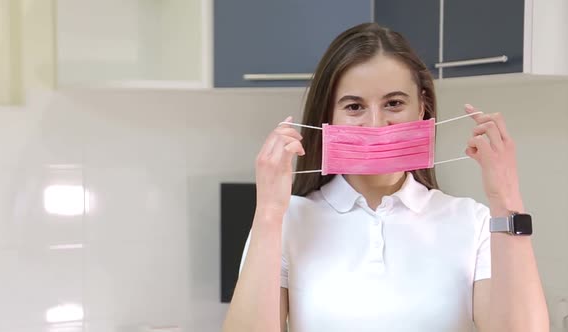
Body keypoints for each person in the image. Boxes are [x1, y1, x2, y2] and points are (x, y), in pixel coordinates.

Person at [222, 22, 548, 332]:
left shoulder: (472, 222)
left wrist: (506, 200)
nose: (376, 125)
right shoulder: (287, 221)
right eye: (354, 107)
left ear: (422, 108)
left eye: (393, 103)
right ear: (327, 118)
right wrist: (267, 213)